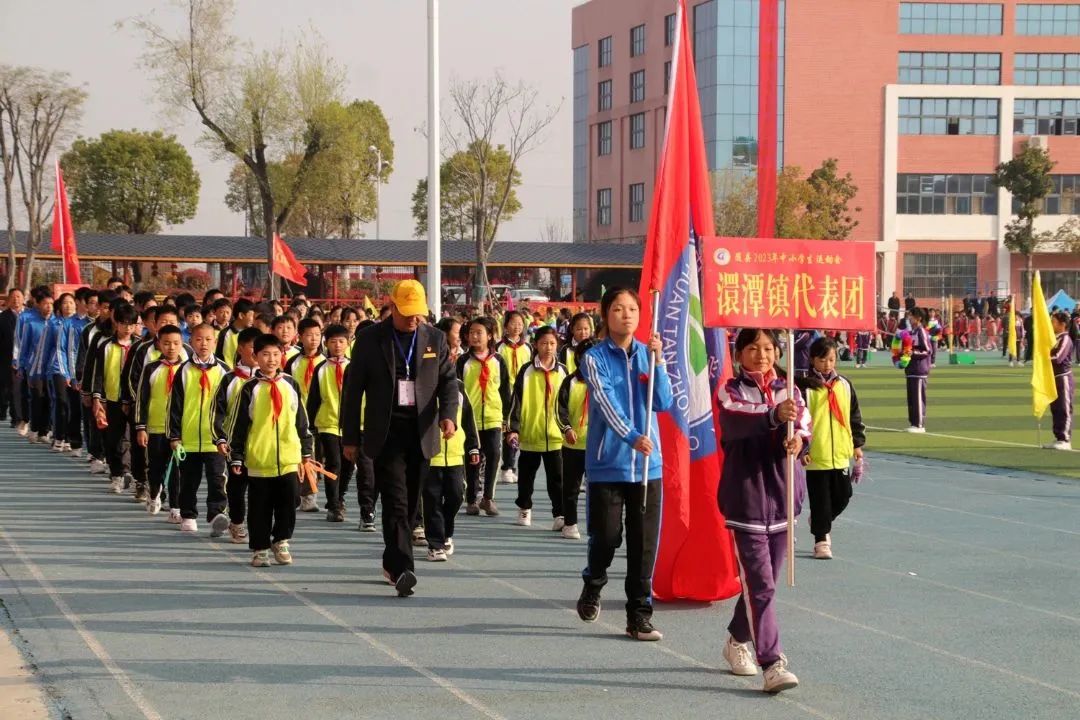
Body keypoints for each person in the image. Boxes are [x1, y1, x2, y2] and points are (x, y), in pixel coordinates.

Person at [341, 280, 458, 598]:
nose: (413, 319)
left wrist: (448, 415)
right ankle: (406, 568)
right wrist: (349, 437)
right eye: (407, 313)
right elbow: (352, 393)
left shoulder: (435, 338)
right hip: (385, 429)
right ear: (391, 306)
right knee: (396, 501)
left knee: (409, 504)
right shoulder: (368, 340)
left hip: (421, 431)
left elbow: (448, 382)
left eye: (418, 313)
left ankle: (392, 562)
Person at [575, 288, 672, 642]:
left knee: (643, 543)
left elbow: (664, 401)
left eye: (632, 309)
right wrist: (631, 436)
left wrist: (659, 364)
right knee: (608, 536)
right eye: (618, 308)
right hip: (608, 464)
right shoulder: (594, 358)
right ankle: (594, 581)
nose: (626, 314)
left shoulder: (650, 355)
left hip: (649, 467)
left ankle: (639, 614)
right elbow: (604, 401)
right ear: (605, 314)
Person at [716, 328, 809, 694]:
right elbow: (738, 420)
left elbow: (804, 426)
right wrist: (773, 416)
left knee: (761, 585)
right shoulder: (730, 390)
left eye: (769, 347)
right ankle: (772, 662)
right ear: (740, 354)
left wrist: (797, 439)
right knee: (762, 584)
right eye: (753, 348)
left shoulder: (792, 389)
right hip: (747, 500)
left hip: (785, 498)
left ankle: (737, 640)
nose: (762, 354)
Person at [229, 333, 314, 567]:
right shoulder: (249, 388)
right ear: (255, 356)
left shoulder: (290, 384)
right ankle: (260, 548)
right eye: (265, 354)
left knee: (289, 502)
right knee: (260, 507)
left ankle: (282, 539)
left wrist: (306, 451)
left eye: (276, 354)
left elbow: (301, 420)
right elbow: (239, 425)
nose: (271, 359)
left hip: (288, 456)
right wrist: (236, 456)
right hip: (259, 459)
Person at [795, 336, 865, 560]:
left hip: (841, 453)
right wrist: (803, 450)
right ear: (813, 359)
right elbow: (798, 421)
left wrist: (857, 444)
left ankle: (819, 520)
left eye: (832, 359)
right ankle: (821, 540)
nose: (827, 364)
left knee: (844, 495)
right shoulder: (804, 387)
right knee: (820, 500)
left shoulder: (844, 384)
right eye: (823, 360)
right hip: (817, 455)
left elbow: (853, 414)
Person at [423, 326, 480, 562]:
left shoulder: (458, 388)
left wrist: (474, 447)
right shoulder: (420, 386)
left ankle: (447, 532)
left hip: (455, 454)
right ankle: (435, 543)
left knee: (456, 496)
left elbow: (468, 419)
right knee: (432, 499)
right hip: (430, 454)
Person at [167, 324, 231, 533]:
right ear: (191, 341)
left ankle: (217, 514)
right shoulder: (183, 371)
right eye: (199, 339)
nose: (203, 344)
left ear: (215, 341)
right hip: (189, 438)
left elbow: (230, 406)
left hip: (216, 440)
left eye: (208, 339)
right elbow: (174, 406)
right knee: (188, 480)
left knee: (217, 479)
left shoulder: (224, 371)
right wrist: (174, 435)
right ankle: (188, 514)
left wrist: (226, 435)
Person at [508, 326, 568, 529]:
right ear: (535, 345)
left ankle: (559, 514)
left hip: (555, 436)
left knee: (557, 479)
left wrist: (566, 427)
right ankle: (524, 508)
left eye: (552, 343)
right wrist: (513, 428)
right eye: (543, 343)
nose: (548, 347)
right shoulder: (526, 371)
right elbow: (516, 401)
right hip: (530, 435)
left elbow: (566, 403)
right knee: (526, 477)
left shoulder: (563, 372)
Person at [457, 316, 509, 517]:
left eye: (479, 333)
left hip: (494, 417)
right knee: (472, 460)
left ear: (490, 336)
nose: (475, 337)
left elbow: (505, 390)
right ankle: (471, 498)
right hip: (470, 420)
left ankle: (488, 497)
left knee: (495, 456)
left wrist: (507, 419)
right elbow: (457, 390)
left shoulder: (498, 361)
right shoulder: (463, 361)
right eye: (472, 333)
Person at [212, 327, 261, 543]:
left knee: (261, 490)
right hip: (237, 444)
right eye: (253, 348)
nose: (259, 353)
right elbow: (217, 411)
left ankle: (259, 526)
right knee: (237, 485)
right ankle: (237, 521)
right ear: (241, 348)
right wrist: (220, 438)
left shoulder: (274, 382)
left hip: (262, 444)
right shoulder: (229, 379)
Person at [134, 324, 185, 516]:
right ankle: (154, 493)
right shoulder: (151, 368)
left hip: (179, 430)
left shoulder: (187, 369)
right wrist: (141, 427)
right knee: (155, 466)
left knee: (177, 471)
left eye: (176, 343)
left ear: (182, 344)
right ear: (159, 344)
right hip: (155, 427)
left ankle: (175, 506)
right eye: (166, 343)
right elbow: (142, 398)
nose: (171, 347)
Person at [305, 324, 352, 523]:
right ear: (327, 344)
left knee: (348, 464)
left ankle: (339, 497)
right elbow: (314, 397)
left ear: (348, 343)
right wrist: (309, 422)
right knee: (334, 463)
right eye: (333, 342)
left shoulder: (354, 366)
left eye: (341, 341)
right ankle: (333, 504)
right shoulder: (321, 369)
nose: (338, 345)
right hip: (328, 422)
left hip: (350, 424)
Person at [90, 301, 137, 494]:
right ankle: (116, 474)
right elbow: (98, 374)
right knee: (113, 438)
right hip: (112, 399)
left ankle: (132, 474)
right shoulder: (106, 346)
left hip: (134, 401)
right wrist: (96, 398)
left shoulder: (140, 346)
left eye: (131, 324)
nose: (128, 328)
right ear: (115, 323)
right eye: (124, 323)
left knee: (132, 438)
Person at [285, 317, 326, 512]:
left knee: (319, 455)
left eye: (317, 335)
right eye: (309, 335)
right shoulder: (293, 363)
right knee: (304, 454)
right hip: (298, 416)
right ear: (299, 337)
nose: (314, 339)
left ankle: (318, 492)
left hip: (321, 416)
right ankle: (307, 494)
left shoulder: (325, 362)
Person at [556, 338, 594, 540]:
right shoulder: (570, 382)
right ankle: (570, 523)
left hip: (598, 445)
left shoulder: (606, 381)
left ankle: (598, 526)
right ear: (578, 358)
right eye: (585, 356)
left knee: (598, 489)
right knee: (570, 487)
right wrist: (567, 429)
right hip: (573, 444)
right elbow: (559, 410)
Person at [497, 310, 532, 485]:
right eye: (513, 323)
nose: (517, 326)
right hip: (504, 395)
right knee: (507, 430)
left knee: (517, 430)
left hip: (522, 396)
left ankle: (511, 465)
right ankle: (507, 467)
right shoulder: (500, 348)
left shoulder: (528, 348)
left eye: (520, 323)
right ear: (505, 326)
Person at [1048, 311, 1074, 451]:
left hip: (1063, 378)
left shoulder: (1065, 339)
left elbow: (1058, 357)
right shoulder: (1055, 339)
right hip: (1053, 378)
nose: (1051, 324)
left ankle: (1065, 439)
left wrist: (1043, 358)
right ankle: (1058, 437)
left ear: (1062, 324)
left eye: (1053, 322)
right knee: (1056, 408)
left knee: (1064, 408)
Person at [0, 288, 24, 427]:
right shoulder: (2, 318)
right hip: (6, 358)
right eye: (13, 297)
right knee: (7, 387)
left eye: (19, 297)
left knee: (18, 388)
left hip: (25, 359)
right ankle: (6, 411)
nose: (16, 300)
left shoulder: (28, 317)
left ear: (23, 299)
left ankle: (17, 417)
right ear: (8, 300)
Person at [905, 308, 932, 433]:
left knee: (918, 398)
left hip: (919, 369)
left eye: (911, 316)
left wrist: (913, 353)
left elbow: (927, 350)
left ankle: (920, 424)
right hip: (911, 369)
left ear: (918, 318)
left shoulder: (921, 331)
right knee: (911, 398)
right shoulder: (912, 332)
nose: (909, 319)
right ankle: (913, 423)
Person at [215, 298, 256, 367]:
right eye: (252, 316)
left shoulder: (253, 333)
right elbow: (220, 357)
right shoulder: (225, 334)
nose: (253, 319)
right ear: (241, 315)